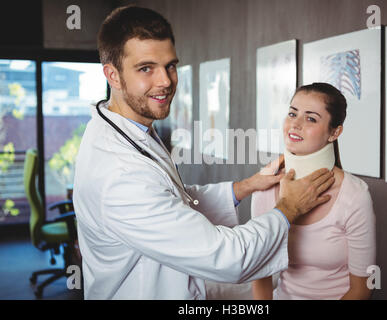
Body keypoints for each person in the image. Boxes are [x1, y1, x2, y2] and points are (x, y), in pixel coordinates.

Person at [73, 6, 335, 300]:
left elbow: (171, 200)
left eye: (170, 66)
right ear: (113, 75)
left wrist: (245, 187)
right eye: (146, 68)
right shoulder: (119, 172)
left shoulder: (130, 129)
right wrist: (288, 209)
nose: (166, 81)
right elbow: (228, 258)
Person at [252, 83, 376, 300]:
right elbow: (259, 273)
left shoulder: (355, 195)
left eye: (311, 118)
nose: (295, 124)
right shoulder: (265, 184)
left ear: (334, 132)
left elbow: (363, 288)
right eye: (292, 113)